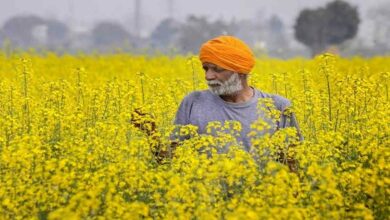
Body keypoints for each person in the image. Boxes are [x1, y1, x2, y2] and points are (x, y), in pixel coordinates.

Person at [132, 35, 302, 171]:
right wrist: (150, 132)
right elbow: (168, 162)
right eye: (206, 68)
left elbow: (293, 166)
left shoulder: (278, 106)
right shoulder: (193, 103)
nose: (208, 76)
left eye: (217, 69)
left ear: (240, 71)